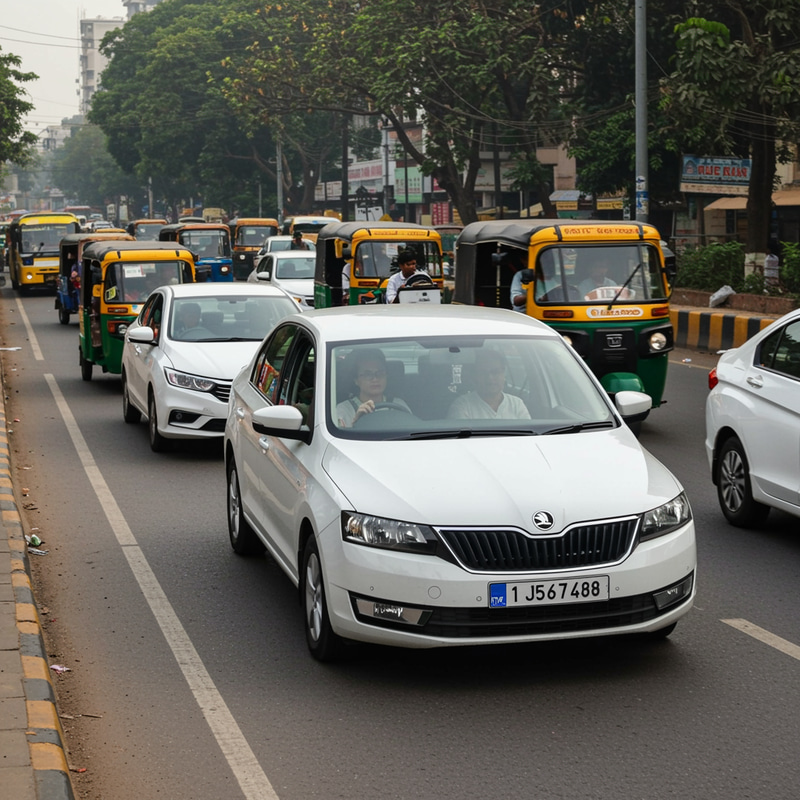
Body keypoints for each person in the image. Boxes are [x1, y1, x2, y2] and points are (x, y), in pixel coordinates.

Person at [447, 349, 530, 420]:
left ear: (504, 374)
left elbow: (529, 435)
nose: (490, 377)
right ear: (475, 376)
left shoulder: (517, 404)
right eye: (483, 372)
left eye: (495, 372)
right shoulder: (462, 406)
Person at [336, 348, 410, 427]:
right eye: (368, 374)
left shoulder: (398, 405)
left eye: (380, 373)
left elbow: (411, 432)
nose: (375, 379)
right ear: (356, 380)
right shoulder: (344, 410)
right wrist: (355, 424)